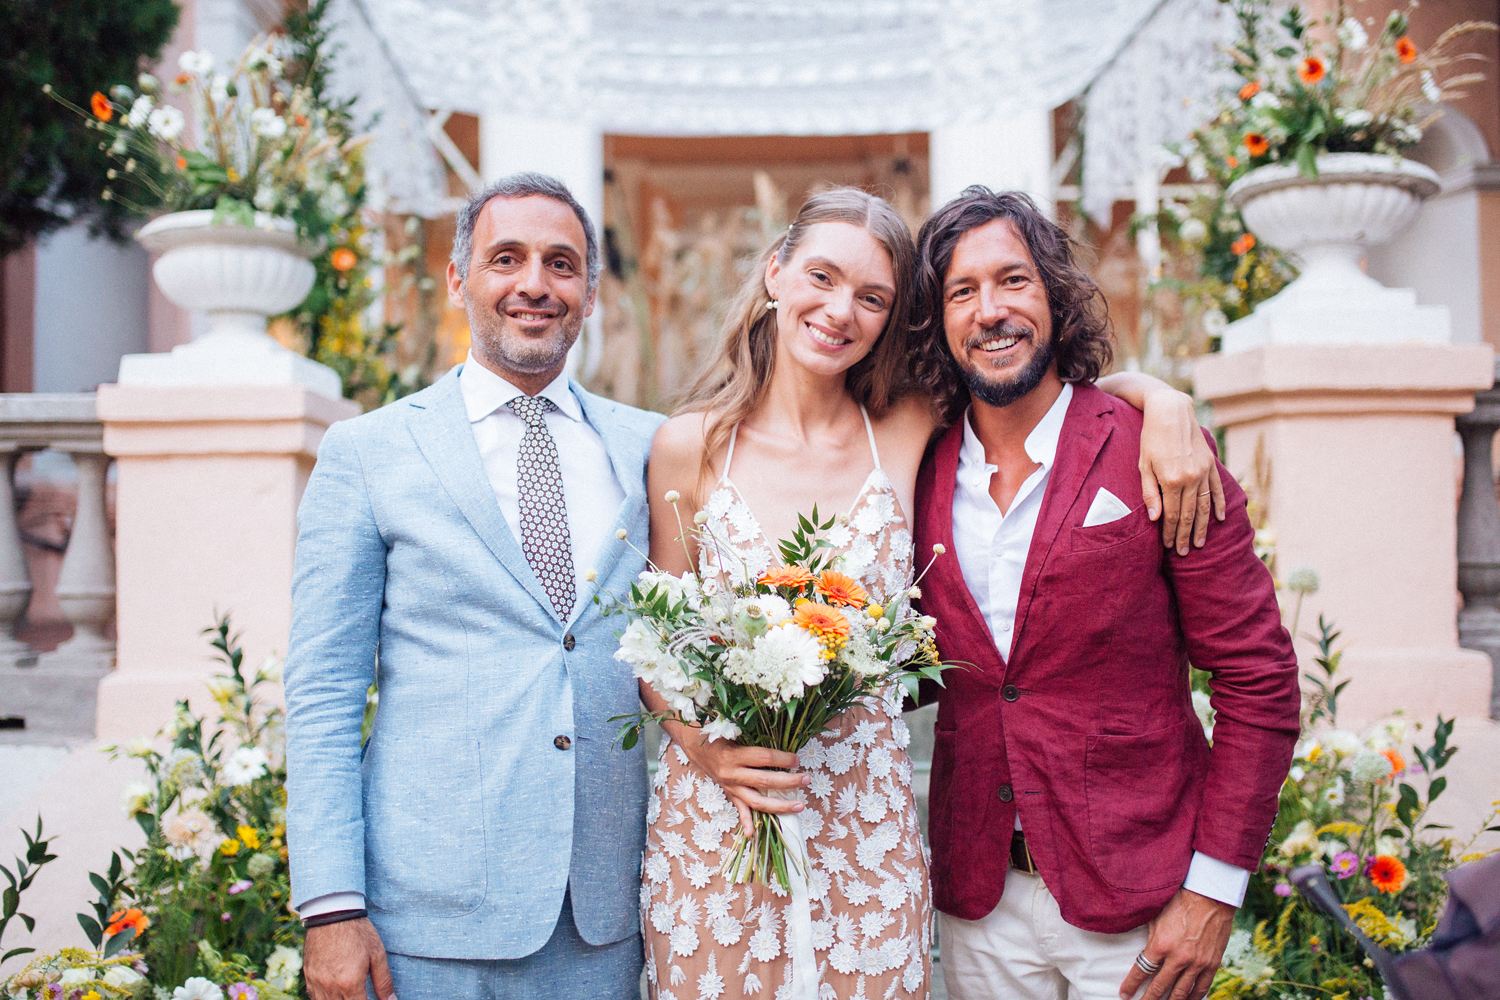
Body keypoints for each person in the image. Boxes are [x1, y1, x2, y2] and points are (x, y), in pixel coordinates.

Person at [639, 186, 1225, 1000]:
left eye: (872, 297)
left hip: (864, 826)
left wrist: (1159, 398)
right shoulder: (687, 447)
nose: (840, 311)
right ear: (775, 271)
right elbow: (656, 647)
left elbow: (1035, 384)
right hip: (722, 817)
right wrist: (706, 749)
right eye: (821, 277)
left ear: (892, 318)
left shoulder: (912, 427)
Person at [908, 186, 1301, 1000]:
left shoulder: (1157, 453)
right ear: (939, 323)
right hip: (979, 901)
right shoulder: (916, 472)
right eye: (962, 291)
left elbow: (1258, 678)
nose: (991, 310)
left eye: (1013, 280)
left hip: (1141, 903)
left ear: (1056, 295)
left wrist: (1213, 892)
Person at [283, 173, 665, 1000]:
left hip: (603, 920)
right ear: (459, 280)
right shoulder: (368, 453)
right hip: (426, 926)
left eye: (561, 264)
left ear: (591, 292)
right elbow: (322, 694)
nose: (536, 284)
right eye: (506, 258)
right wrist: (331, 907)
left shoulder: (652, 449)